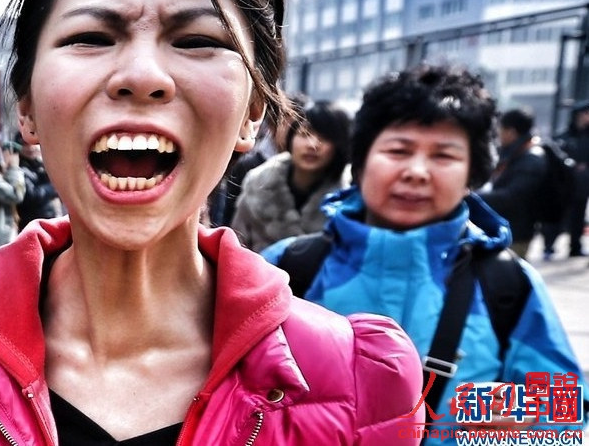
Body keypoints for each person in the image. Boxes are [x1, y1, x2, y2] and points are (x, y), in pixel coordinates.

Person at [0, 0, 423, 444]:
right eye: (90, 38)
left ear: (253, 114)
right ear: (25, 109)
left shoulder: (361, 382)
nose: (143, 74)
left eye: (198, 40)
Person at [263, 64, 587, 444]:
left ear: (473, 174)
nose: (417, 171)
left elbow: (568, 409)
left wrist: (500, 414)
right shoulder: (287, 270)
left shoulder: (506, 283)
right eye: (398, 150)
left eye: (444, 156)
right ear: (362, 160)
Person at [231, 98, 351, 252]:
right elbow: (236, 245)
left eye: (324, 138)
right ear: (291, 137)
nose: (312, 145)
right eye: (304, 134)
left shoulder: (350, 195)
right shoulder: (258, 183)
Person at [478, 108, 547, 259]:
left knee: (507, 276)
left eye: (500, 129)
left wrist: (475, 198)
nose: (498, 134)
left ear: (511, 132)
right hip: (507, 226)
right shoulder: (515, 152)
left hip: (517, 233)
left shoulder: (532, 158)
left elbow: (513, 196)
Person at [9, 131, 62, 230]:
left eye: (33, 144)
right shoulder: (18, 169)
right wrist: (53, 187)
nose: (31, 148)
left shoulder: (40, 164)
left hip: (50, 222)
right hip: (32, 226)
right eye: (25, 145)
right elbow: (32, 196)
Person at [558, 100, 589, 258]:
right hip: (567, 181)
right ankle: (550, 245)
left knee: (579, 214)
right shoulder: (567, 135)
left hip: (584, 182)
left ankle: (575, 246)